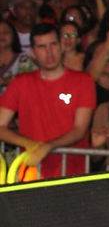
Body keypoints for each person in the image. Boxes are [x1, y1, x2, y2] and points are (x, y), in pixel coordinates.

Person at [0, 22, 97, 178]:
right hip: (32, 173)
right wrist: (28, 144)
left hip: (72, 173)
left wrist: (47, 147)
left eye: (53, 44)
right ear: (32, 52)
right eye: (42, 47)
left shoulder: (83, 81)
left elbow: (80, 129)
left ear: (60, 46)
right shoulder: (21, 82)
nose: (49, 52)